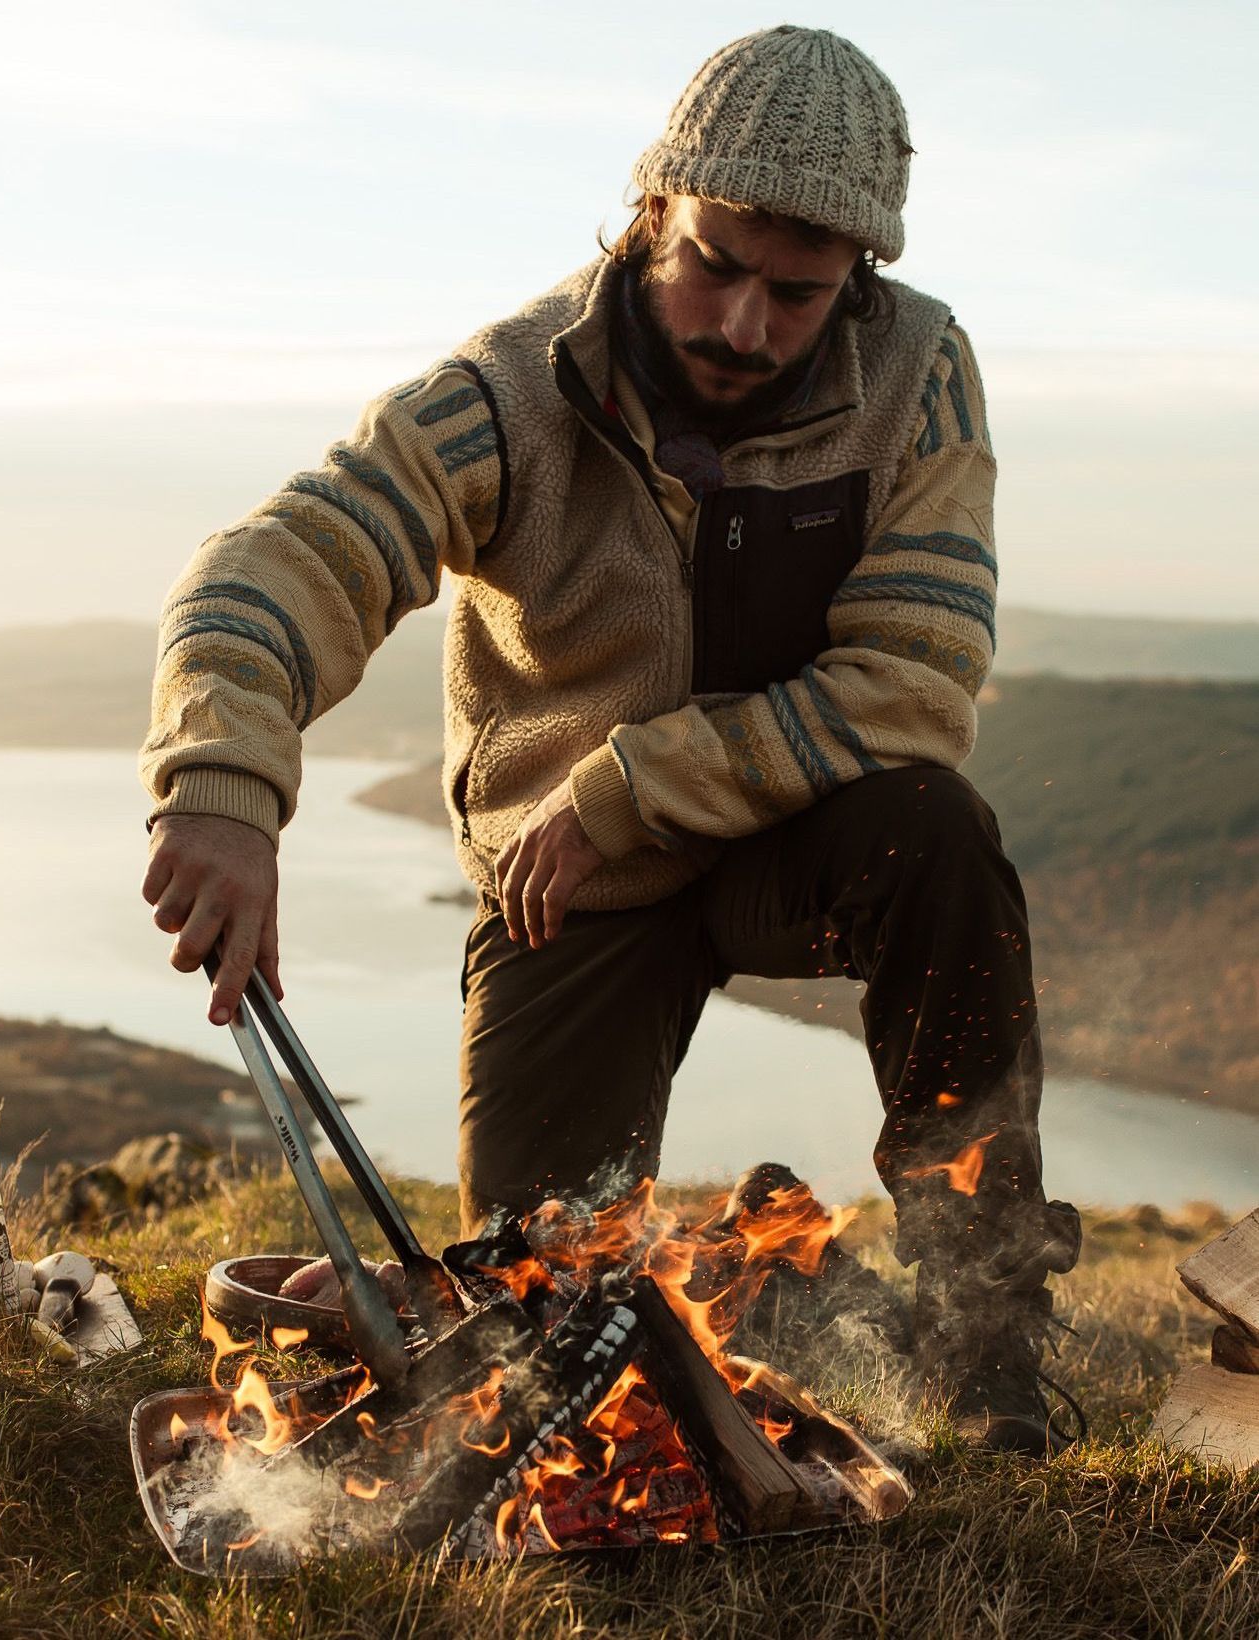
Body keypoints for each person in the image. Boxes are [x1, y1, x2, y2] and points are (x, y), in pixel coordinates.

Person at [140, 26, 1081, 1454]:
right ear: (654, 213)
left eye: (799, 292)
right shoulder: (511, 393)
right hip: (565, 891)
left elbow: (918, 684)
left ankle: (989, 1339)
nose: (745, 325)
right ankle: (790, 1293)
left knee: (940, 834)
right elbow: (282, 559)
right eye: (715, 262)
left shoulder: (919, 372)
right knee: (539, 1317)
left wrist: (638, 783)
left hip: (793, 837)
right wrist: (221, 792)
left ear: (860, 282)